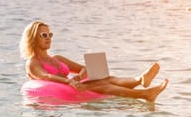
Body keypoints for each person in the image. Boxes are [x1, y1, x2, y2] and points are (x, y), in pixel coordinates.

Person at [19, 21, 168, 103]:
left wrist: (79, 76)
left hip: (74, 85)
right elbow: (46, 77)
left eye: (50, 34)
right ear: (33, 38)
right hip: (64, 91)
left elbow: (84, 68)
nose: (48, 37)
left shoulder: (57, 58)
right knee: (102, 84)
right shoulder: (32, 62)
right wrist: (70, 82)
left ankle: (140, 80)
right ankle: (144, 94)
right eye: (43, 35)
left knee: (106, 78)